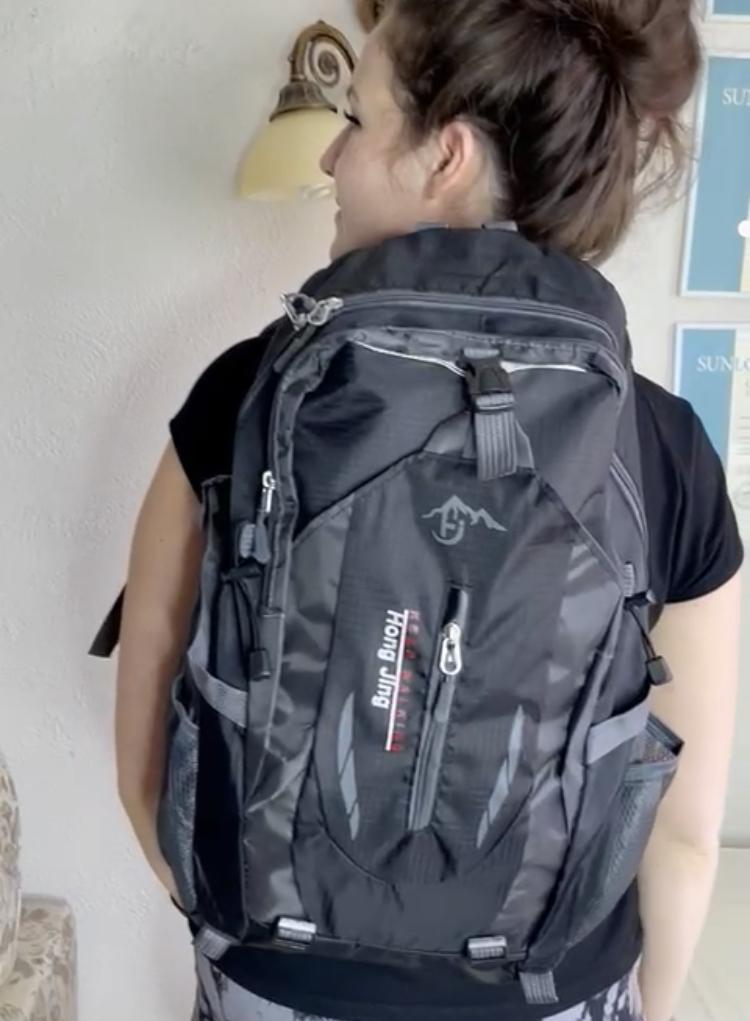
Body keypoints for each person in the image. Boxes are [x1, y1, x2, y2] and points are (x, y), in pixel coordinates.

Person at [114, 2, 743, 1021]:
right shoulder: (664, 446)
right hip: (549, 991)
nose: (330, 155)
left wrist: (239, 947)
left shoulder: (245, 393)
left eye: (357, 119)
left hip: (279, 980)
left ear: (446, 156)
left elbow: (149, 750)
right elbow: (682, 831)